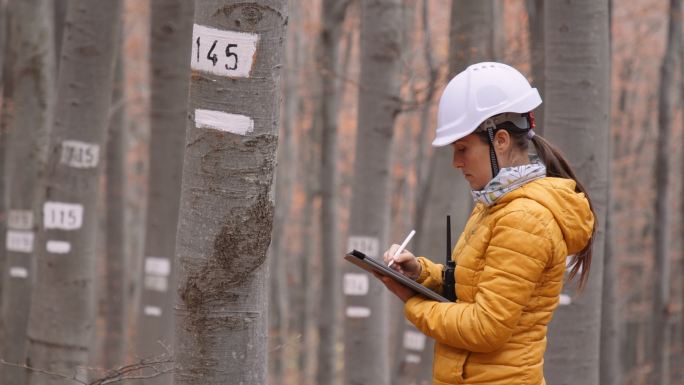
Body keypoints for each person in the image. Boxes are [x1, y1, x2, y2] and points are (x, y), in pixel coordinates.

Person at [375, 62, 596, 385]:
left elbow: (485, 326)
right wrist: (421, 274)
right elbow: (474, 287)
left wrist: (413, 303)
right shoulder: (496, 206)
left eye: (463, 148)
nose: (456, 162)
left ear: (501, 140)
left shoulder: (525, 219)